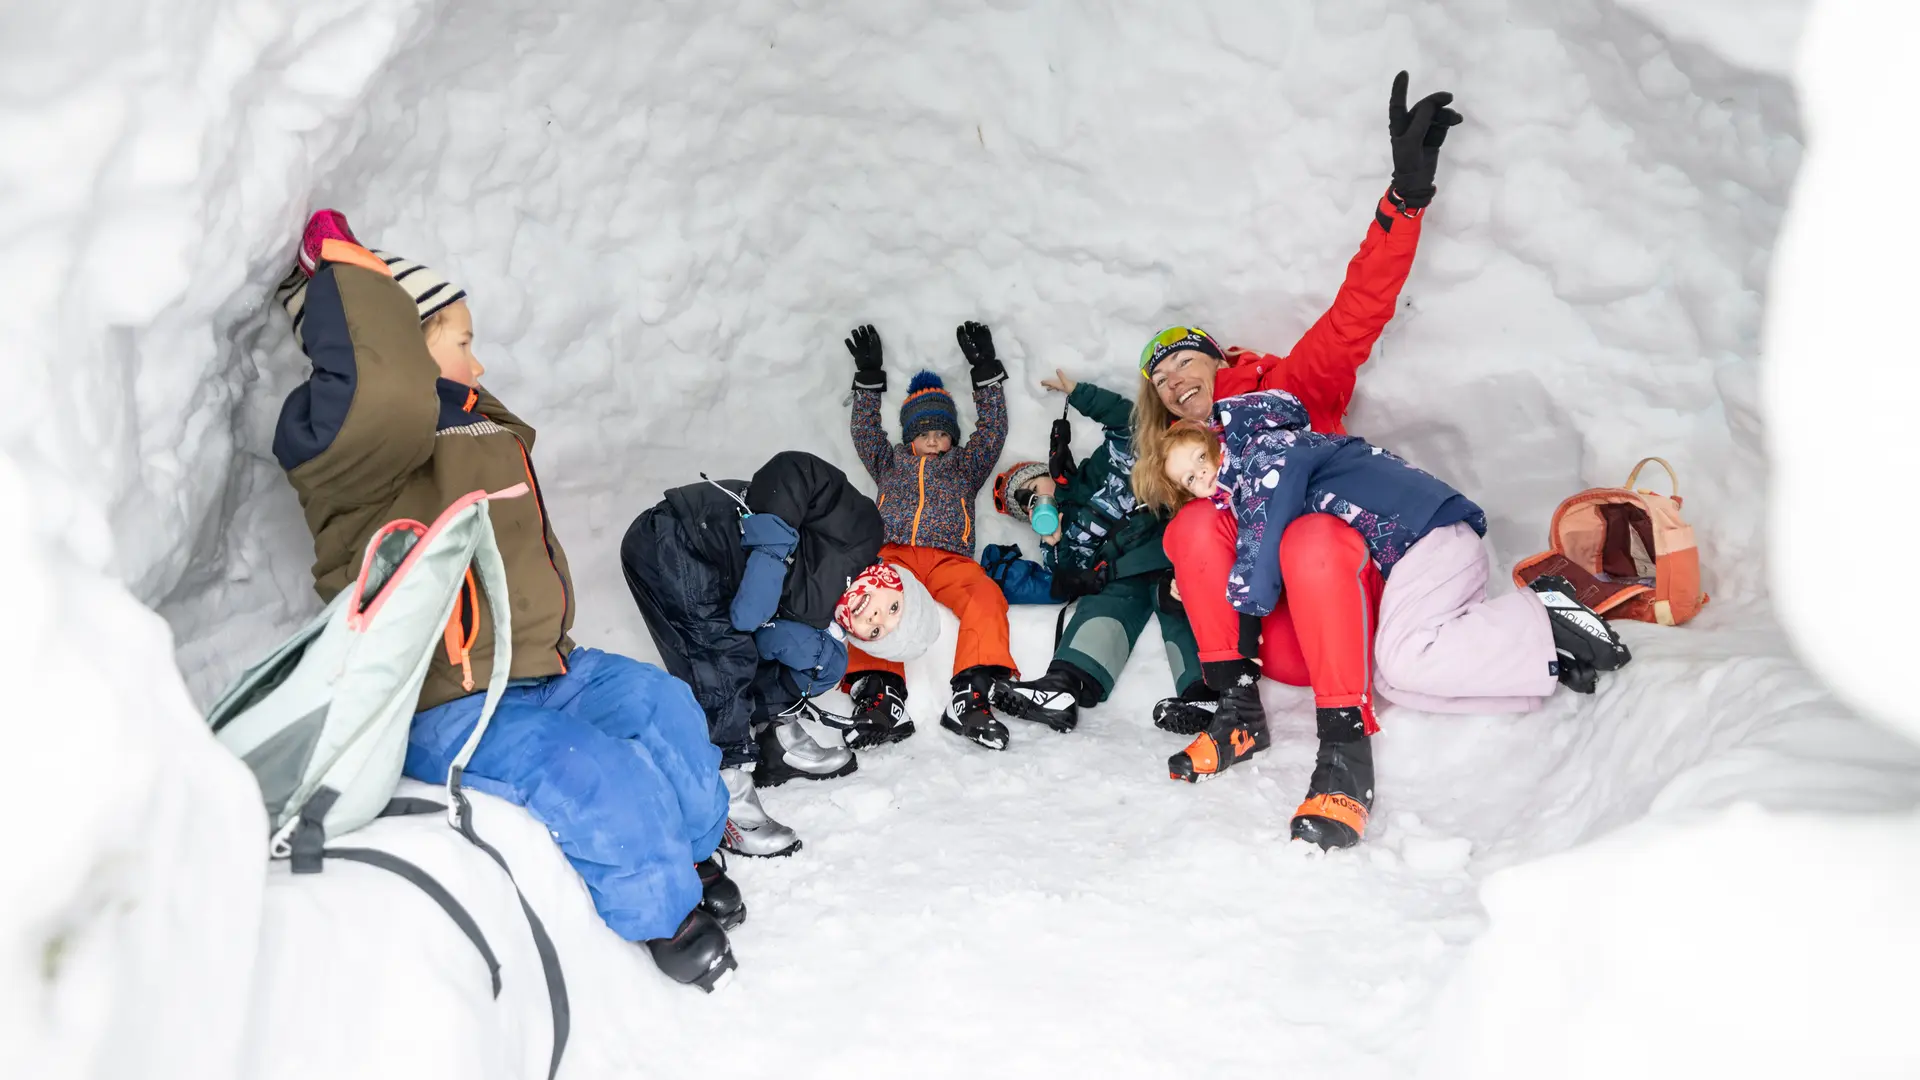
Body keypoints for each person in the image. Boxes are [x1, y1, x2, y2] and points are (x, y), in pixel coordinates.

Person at [272, 210, 736, 992]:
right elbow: (378, 388)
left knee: (663, 710)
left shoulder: (476, 425)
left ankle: (689, 852)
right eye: (459, 341)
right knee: (587, 772)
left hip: (547, 667)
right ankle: (667, 912)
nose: (480, 364)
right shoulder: (355, 455)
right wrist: (347, 273)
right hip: (444, 700)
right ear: (402, 347)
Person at [1136, 71, 1462, 847]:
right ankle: (1238, 713)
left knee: (1309, 535)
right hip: (1278, 644)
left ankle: (1346, 755)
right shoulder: (1192, 463)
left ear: (1220, 363)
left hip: (1350, 615)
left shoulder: (1288, 388)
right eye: (1160, 381)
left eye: (1185, 363)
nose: (1175, 382)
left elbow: (1357, 312)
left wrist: (1403, 199)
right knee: (1187, 532)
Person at [1139, 392, 1634, 847]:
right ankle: (1538, 646)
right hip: (1386, 573)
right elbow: (1242, 542)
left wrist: (1239, 611)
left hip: (1427, 540)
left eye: (1201, 459)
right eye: (1188, 479)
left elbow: (1265, 544)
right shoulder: (1240, 487)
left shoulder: (1269, 449)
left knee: (1402, 662)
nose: (1201, 477)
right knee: (1390, 678)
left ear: (1214, 438)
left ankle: (1541, 614)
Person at [621, 450, 937, 855]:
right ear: (897, 579)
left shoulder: (824, 619)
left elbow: (763, 640)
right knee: (721, 663)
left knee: (818, 662)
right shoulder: (860, 534)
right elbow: (794, 470)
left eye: (876, 632)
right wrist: (772, 548)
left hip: (713, 580)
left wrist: (800, 650)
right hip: (679, 536)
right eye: (893, 607)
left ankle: (776, 745)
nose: (876, 616)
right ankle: (725, 795)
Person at [985, 371, 1210, 733]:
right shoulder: (1063, 530)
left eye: (1029, 490)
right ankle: (1061, 689)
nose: (1030, 502)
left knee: (1177, 603)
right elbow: (1068, 574)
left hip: (1168, 544)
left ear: (1047, 473)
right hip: (1124, 572)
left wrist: (1080, 394)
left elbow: (1129, 427)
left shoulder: (1096, 471)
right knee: (1102, 604)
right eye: (1024, 506)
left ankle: (1205, 691)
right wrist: (1056, 541)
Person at [842, 322, 1020, 751]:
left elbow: (992, 430)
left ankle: (971, 695)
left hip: (949, 560)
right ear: (910, 437)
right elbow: (865, 432)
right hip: (895, 556)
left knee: (985, 596)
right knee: (869, 598)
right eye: (925, 434)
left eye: (942, 434)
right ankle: (879, 695)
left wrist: (985, 369)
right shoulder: (889, 463)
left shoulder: (965, 465)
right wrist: (869, 375)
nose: (935, 442)